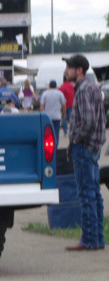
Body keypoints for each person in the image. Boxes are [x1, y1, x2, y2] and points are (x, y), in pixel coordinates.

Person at [63, 54, 106, 251]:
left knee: (86, 194)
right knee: (94, 193)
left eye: (69, 67)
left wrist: (75, 138)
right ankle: (97, 239)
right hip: (95, 147)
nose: (66, 70)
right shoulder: (94, 88)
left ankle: (89, 239)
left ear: (79, 70)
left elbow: (87, 121)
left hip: (84, 148)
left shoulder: (82, 91)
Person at [40, 80, 66, 147]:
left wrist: (42, 114)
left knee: (48, 133)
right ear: (56, 86)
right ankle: (55, 147)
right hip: (57, 116)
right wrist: (64, 113)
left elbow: (42, 106)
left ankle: (48, 146)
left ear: (49, 86)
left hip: (47, 117)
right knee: (56, 133)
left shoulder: (45, 93)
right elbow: (64, 105)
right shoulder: (60, 93)